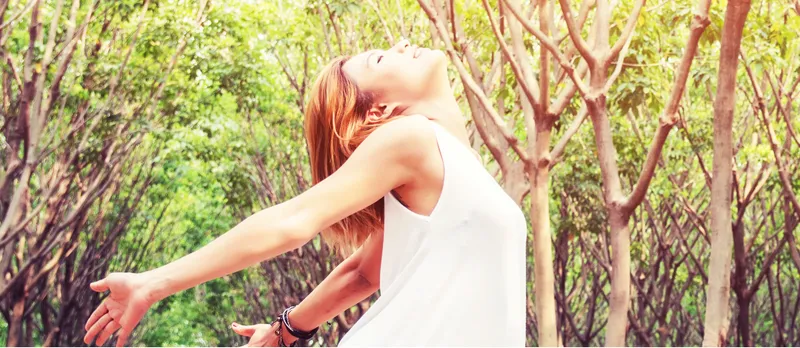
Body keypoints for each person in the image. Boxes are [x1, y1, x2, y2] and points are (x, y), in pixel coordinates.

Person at [83, 39, 527, 347]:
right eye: (380, 59)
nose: (401, 45)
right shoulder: (414, 140)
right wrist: (153, 283)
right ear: (382, 110)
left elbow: (363, 274)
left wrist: (286, 330)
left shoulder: (449, 163)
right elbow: (293, 220)